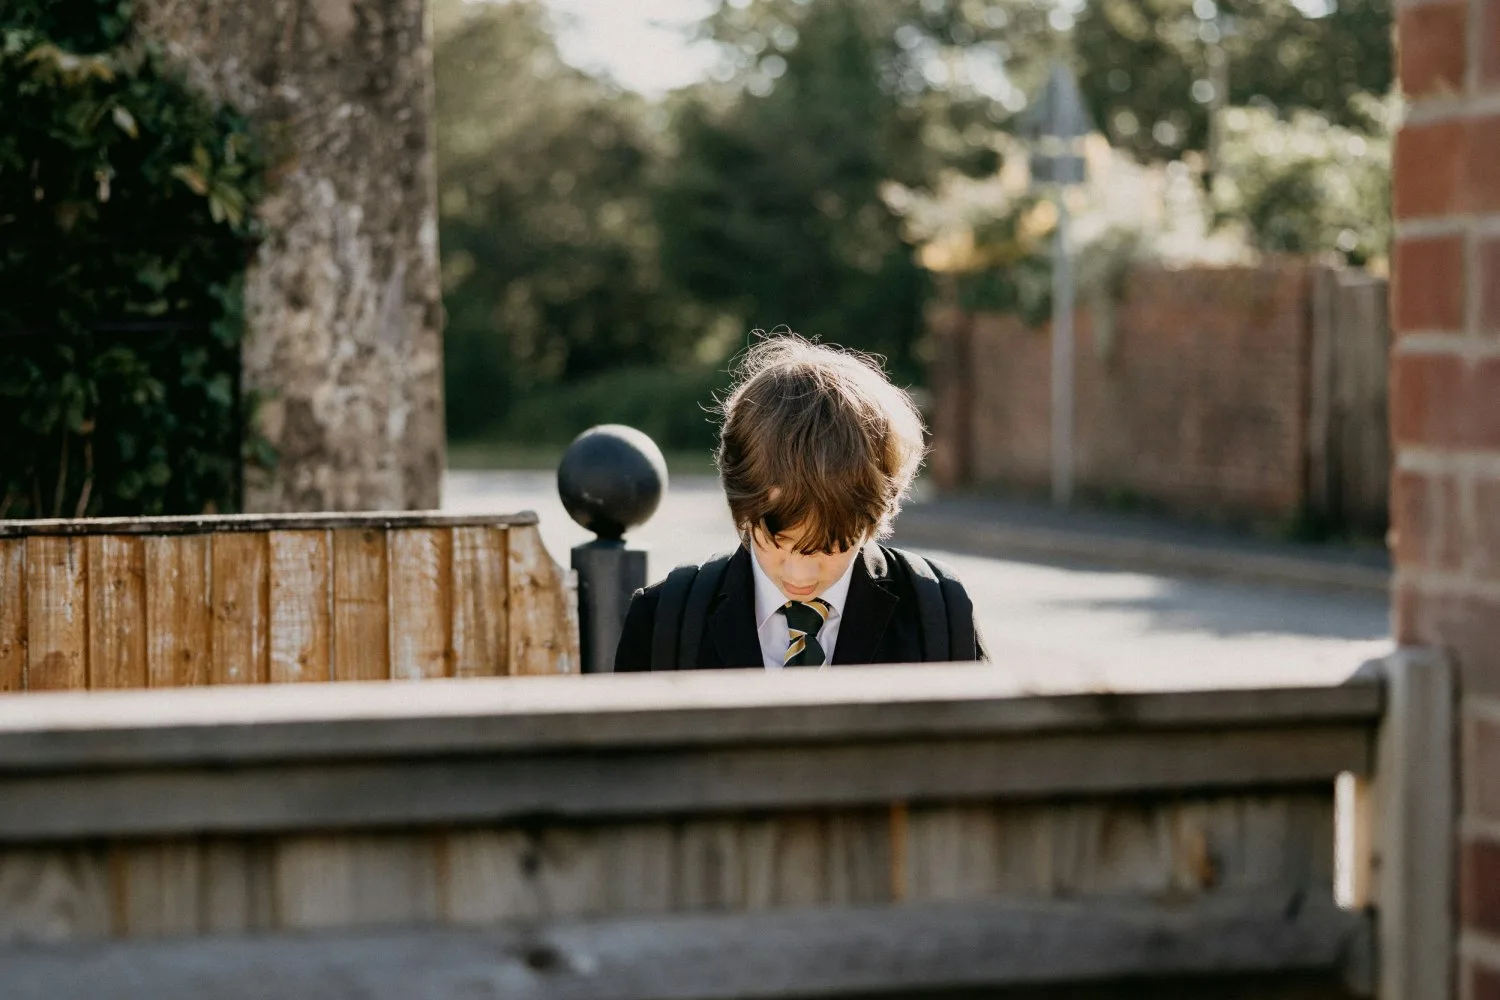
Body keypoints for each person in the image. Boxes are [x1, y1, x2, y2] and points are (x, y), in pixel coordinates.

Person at [614, 334, 987, 671]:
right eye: (777, 541)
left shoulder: (936, 610)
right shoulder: (667, 619)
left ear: (878, 510)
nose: (800, 575)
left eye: (830, 546)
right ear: (741, 501)